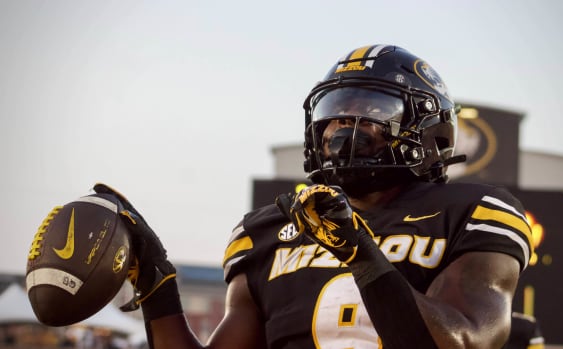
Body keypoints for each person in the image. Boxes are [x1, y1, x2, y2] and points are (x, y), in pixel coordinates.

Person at [94, 44, 533, 348]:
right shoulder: (267, 231)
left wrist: (361, 255)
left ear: (428, 130)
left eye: (371, 112)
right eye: (334, 115)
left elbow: (461, 343)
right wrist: (156, 284)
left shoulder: (472, 211)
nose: (343, 126)